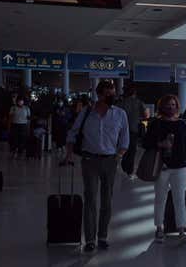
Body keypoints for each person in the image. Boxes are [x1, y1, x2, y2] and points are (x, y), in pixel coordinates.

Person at [65, 80, 129, 253]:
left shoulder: (120, 114)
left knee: (106, 200)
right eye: (108, 94)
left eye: (113, 93)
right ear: (99, 94)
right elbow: (73, 132)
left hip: (110, 160)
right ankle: (90, 239)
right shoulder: (87, 112)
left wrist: (118, 156)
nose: (112, 96)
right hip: (89, 160)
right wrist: (69, 154)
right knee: (91, 199)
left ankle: (102, 236)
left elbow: (125, 139)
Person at [142, 94, 186, 244]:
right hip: (161, 166)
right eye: (168, 105)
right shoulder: (156, 124)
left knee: (179, 199)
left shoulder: (181, 124)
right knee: (160, 198)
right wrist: (159, 144)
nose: (171, 108)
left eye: (173, 105)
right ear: (162, 107)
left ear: (177, 106)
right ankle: (159, 228)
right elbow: (145, 142)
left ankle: (181, 229)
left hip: (179, 166)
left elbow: (184, 145)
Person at [117, 85, 146, 178]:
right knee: (132, 150)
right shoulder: (139, 102)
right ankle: (129, 171)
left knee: (123, 147)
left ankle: (124, 166)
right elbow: (145, 115)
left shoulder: (121, 103)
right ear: (134, 93)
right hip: (134, 129)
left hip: (121, 130)